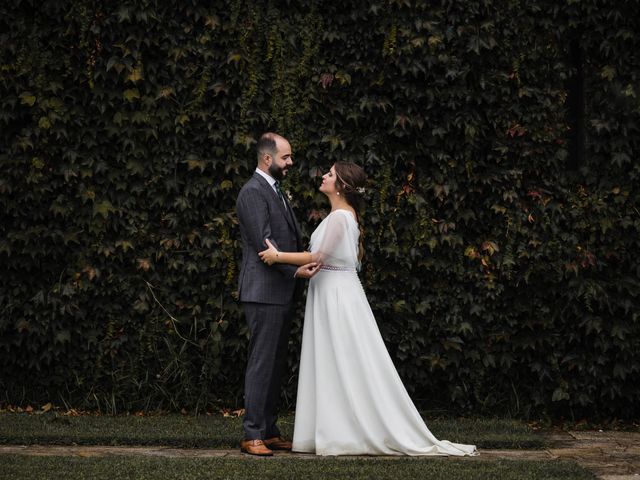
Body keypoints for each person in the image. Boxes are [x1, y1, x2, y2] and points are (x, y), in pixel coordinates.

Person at [259, 161, 477, 456]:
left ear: (341, 186)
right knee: (335, 359)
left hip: (336, 295)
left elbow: (319, 255)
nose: (323, 176)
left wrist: (278, 256)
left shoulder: (340, 218)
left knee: (342, 357)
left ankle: (342, 431)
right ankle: (334, 428)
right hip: (331, 291)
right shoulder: (342, 215)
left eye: (330, 174)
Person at [235, 132, 321, 457]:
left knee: (274, 363)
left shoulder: (274, 190)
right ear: (267, 159)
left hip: (280, 291)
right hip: (264, 292)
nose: (290, 163)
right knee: (262, 362)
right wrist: (296, 270)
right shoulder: (253, 192)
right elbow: (265, 245)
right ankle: (252, 433)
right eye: (286, 157)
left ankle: (268, 430)